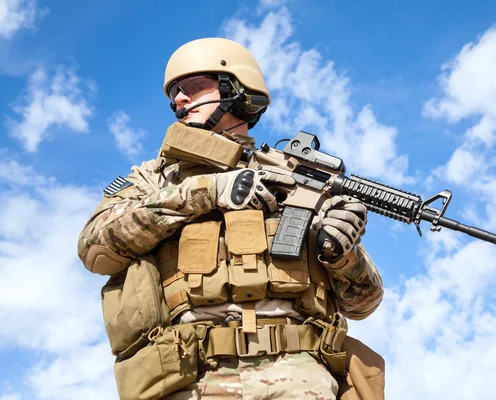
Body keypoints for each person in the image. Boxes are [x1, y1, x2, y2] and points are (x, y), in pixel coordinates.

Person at [78, 37, 384, 400]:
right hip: (190, 377)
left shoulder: (296, 181)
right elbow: (94, 248)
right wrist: (207, 191)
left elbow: (363, 303)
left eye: (190, 87)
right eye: (174, 92)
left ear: (236, 90)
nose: (178, 100)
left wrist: (343, 254)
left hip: (299, 377)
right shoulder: (154, 178)